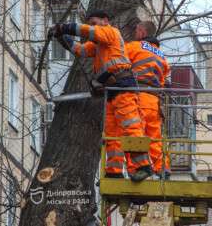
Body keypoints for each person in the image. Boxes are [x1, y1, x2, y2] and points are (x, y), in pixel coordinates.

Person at [50, 10, 151, 181]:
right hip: (112, 89)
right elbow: (80, 50)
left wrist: (64, 27)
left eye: (95, 22)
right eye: (90, 23)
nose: (92, 26)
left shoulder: (111, 33)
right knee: (113, 133)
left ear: (105, 21)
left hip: (123, 85)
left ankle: (143, 166)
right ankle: (114, 170)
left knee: (131, 126)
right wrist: (61, 37)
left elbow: (91, 32)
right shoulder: (99, 44)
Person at [125, 21, 171, 180]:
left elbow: (119, 65)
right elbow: (164, 81)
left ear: (143, 32)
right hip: (155, 101)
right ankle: (163, 168)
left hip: (138, 97)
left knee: (134, 133)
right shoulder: (162, 55)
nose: (135, 33)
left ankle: (137, 169)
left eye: (137, 30)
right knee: (155, 137)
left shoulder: (133, 47)